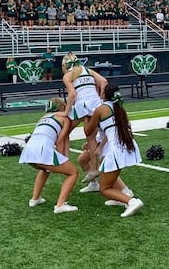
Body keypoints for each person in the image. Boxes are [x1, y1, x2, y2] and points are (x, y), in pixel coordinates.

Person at [84, 85, 144, 217]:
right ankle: (122, 195)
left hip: (115, 148)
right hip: (124, 144)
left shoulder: (100, 109)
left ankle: (131, 201)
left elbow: (88, 131)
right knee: (105, 171)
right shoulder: (118, 107)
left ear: (104, 94)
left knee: (104, 188)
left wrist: (86, 116)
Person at [18, 97, 79, 214]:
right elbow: (60, 141)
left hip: (28, 150)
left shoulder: (43, 118)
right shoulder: (64, 119)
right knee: (73, 172)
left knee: (45, 169)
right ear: (62, 108)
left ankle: (35, 199)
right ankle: (60, 205)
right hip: (42, 150)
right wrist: (62, 159)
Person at [61, 53, 108, 193]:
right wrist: (100, 98)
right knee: (90, 136)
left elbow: (73, 95)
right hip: (95, 104)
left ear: (64, 66)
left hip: (82, 105)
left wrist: (66, 112)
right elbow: (104, 82)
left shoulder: (67, 76)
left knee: (65, 129)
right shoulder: (88, 70)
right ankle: (93, 171)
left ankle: (62, 158)